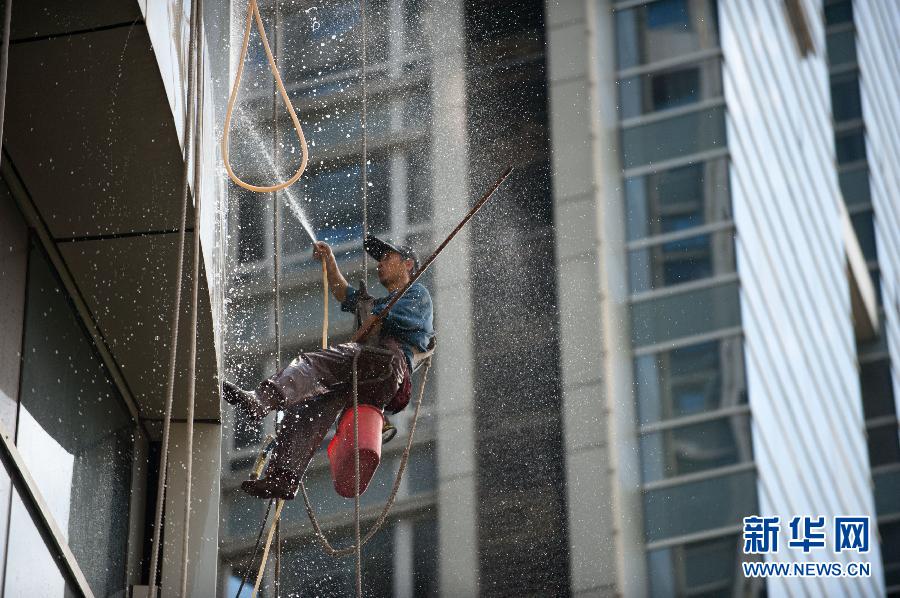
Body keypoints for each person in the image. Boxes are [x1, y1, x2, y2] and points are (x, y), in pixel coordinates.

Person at [222, 234, 434, 499]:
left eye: (388, 257)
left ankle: (260, 400)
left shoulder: (416, 294)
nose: (380, 264)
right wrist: (329, 261)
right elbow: (342, 291)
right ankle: (284, 477)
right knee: (306, 407)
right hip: (368, 376)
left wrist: (374, 319)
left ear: (408, 265)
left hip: (386, 364)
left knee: (313, 364)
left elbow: (394, 321)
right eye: (379, 259)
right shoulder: (377, 304)